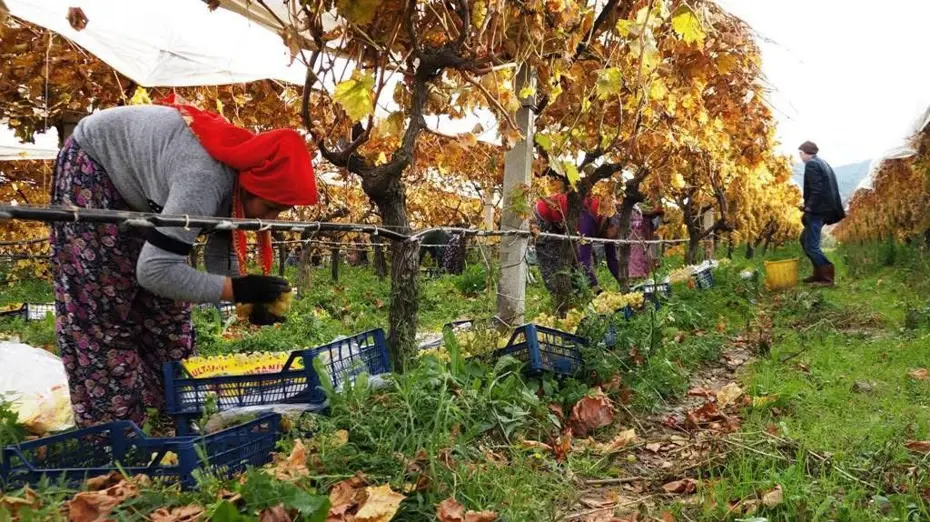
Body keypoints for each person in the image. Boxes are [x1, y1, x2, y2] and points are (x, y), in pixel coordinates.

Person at [49, 98, 317, 428]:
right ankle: (116, 441)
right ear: (249, 187)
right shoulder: (203, 180)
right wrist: (236, 289)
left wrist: (246, 299)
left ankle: (171, 419)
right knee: (104, 310)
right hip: (95, 167)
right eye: (270, 206)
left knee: (168, 317)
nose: (272, 219)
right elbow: (155, 270)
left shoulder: (237, 176)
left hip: (144, 188)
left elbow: (222, 244)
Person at [534, 193, 619, 296]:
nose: (618, 238)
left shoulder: (610, 221)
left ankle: (577, 295)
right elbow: (584, 260)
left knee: (575, 264)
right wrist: (597, 289)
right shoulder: (589, 220)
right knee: (555, 265)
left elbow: (612, 258)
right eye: (617, 234)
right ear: (611, 225)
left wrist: (624, 282)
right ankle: (560, 299)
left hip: (568, 220)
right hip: (545, 217)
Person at [798, 141, 845, 285]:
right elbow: (821, 189)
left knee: (811, 245)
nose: (800, 157)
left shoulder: (812, 164)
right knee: (804, 240)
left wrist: (809, 208)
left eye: (800, 153)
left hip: (818, 211)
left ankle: (826, 278)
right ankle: (818, 273)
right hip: (825, 209)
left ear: (805, 152)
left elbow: (816, 190)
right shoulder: (823, 163)